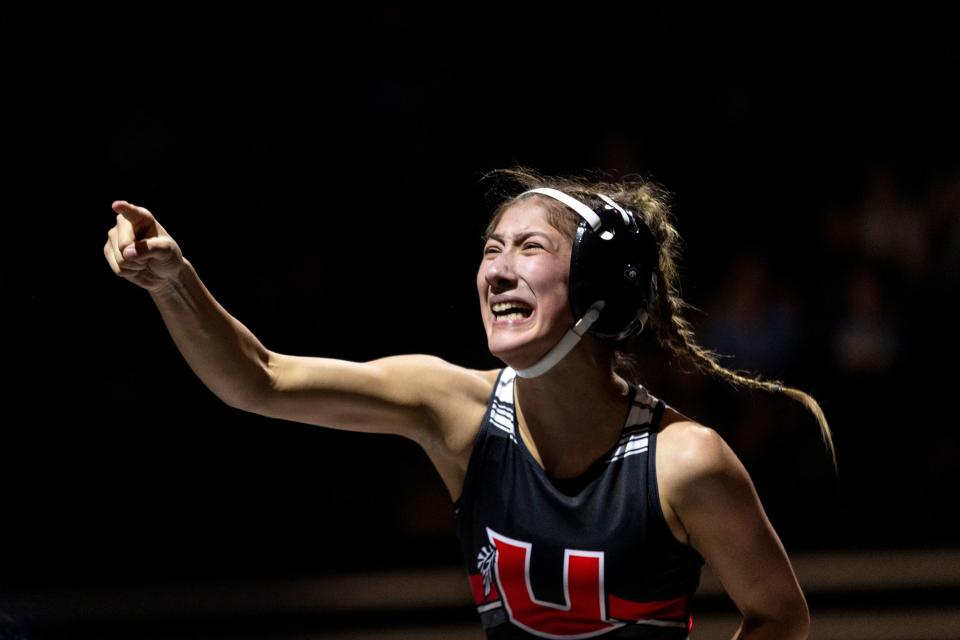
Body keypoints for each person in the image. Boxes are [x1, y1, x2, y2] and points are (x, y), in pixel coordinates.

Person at [103, 167, 835, 639]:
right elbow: (256, 378)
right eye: (492, 248)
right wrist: (174, 282)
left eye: (530, 248)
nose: (498, 269)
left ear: (599, 285)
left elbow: (780, 616)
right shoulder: (451, 408)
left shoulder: (684, 462)